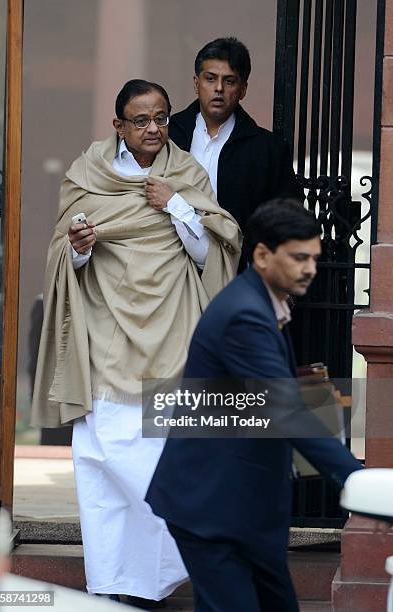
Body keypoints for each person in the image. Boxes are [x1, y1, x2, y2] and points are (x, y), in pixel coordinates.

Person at [31, 79, 241, 609]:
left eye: (162, 118)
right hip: (106, 331)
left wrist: (176, 205)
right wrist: (79, 249)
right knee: (104, 460)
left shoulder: (186, 172)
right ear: (119, 125)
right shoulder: (89, 173)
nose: (153, 130)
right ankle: (114, 578)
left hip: (172, 328)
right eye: (141, 120)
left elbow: (210, 252)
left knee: (162, 458)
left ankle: (158, 579)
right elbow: (66, 255)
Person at [146, 199, 363, 612]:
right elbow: (286, 410)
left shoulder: (262, 303)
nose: (310, 269)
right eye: (299, 258)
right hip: (211, 507)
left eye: (314, 258)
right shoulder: (244, 315)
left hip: (244, 506)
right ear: (262, 254)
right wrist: (359, 480)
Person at [169, 37, 302, 239]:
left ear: (243, 90)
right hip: (170, 261)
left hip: (237, 264)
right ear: (196, 83)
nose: (219, 88)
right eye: (210, 78)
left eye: (229, 81)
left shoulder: (267, 149)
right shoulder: (168, 133)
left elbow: (286, 219)